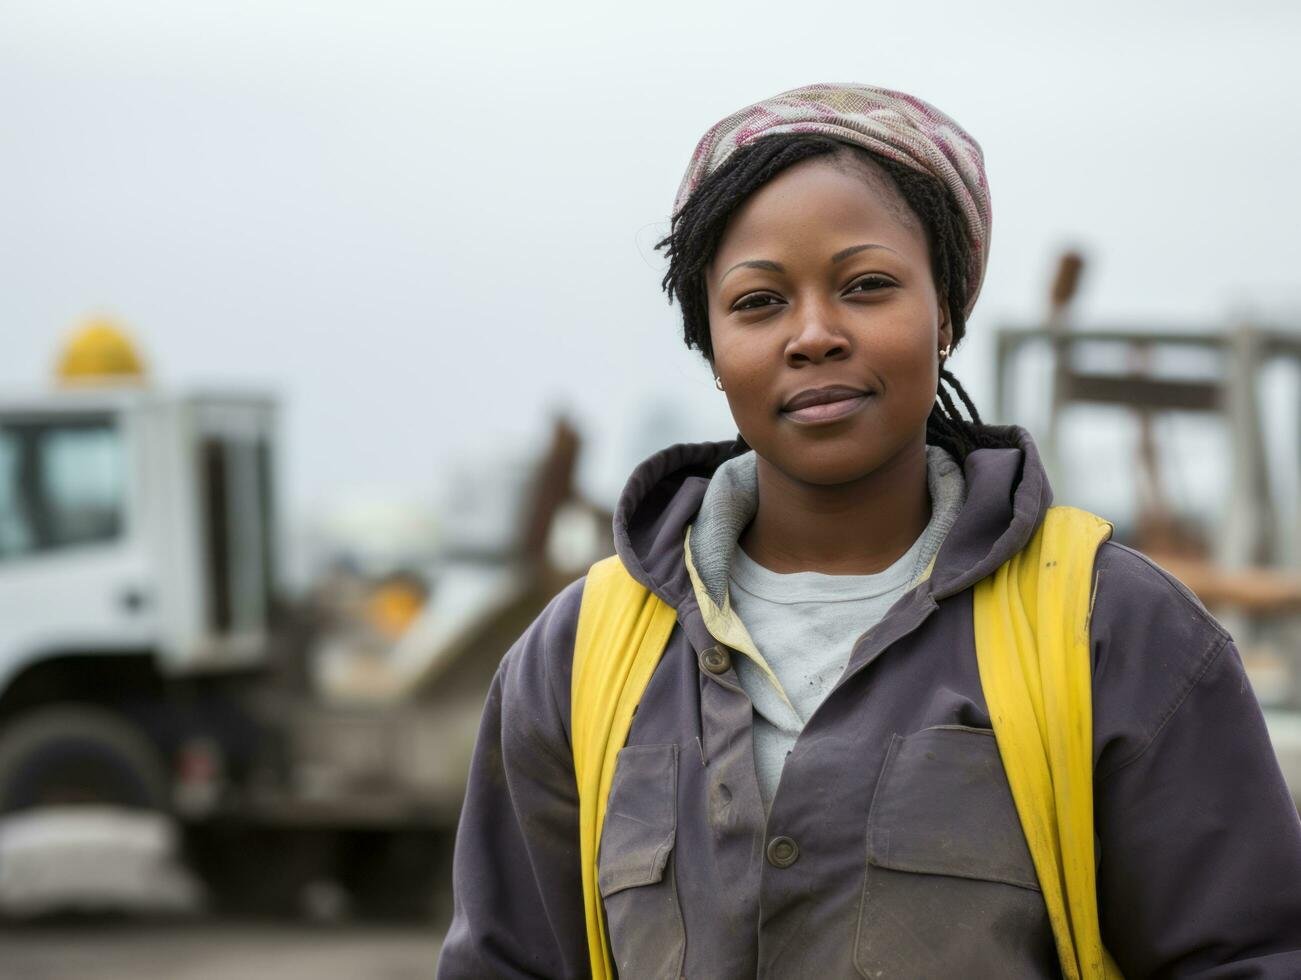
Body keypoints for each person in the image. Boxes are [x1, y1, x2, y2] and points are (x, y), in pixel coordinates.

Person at [436, 84, 1301, 978]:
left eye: (867, 286)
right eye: (758, 302)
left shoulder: (1110, 630)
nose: (812, 335)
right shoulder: (578, 658)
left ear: (948, 314)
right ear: (710, 346)